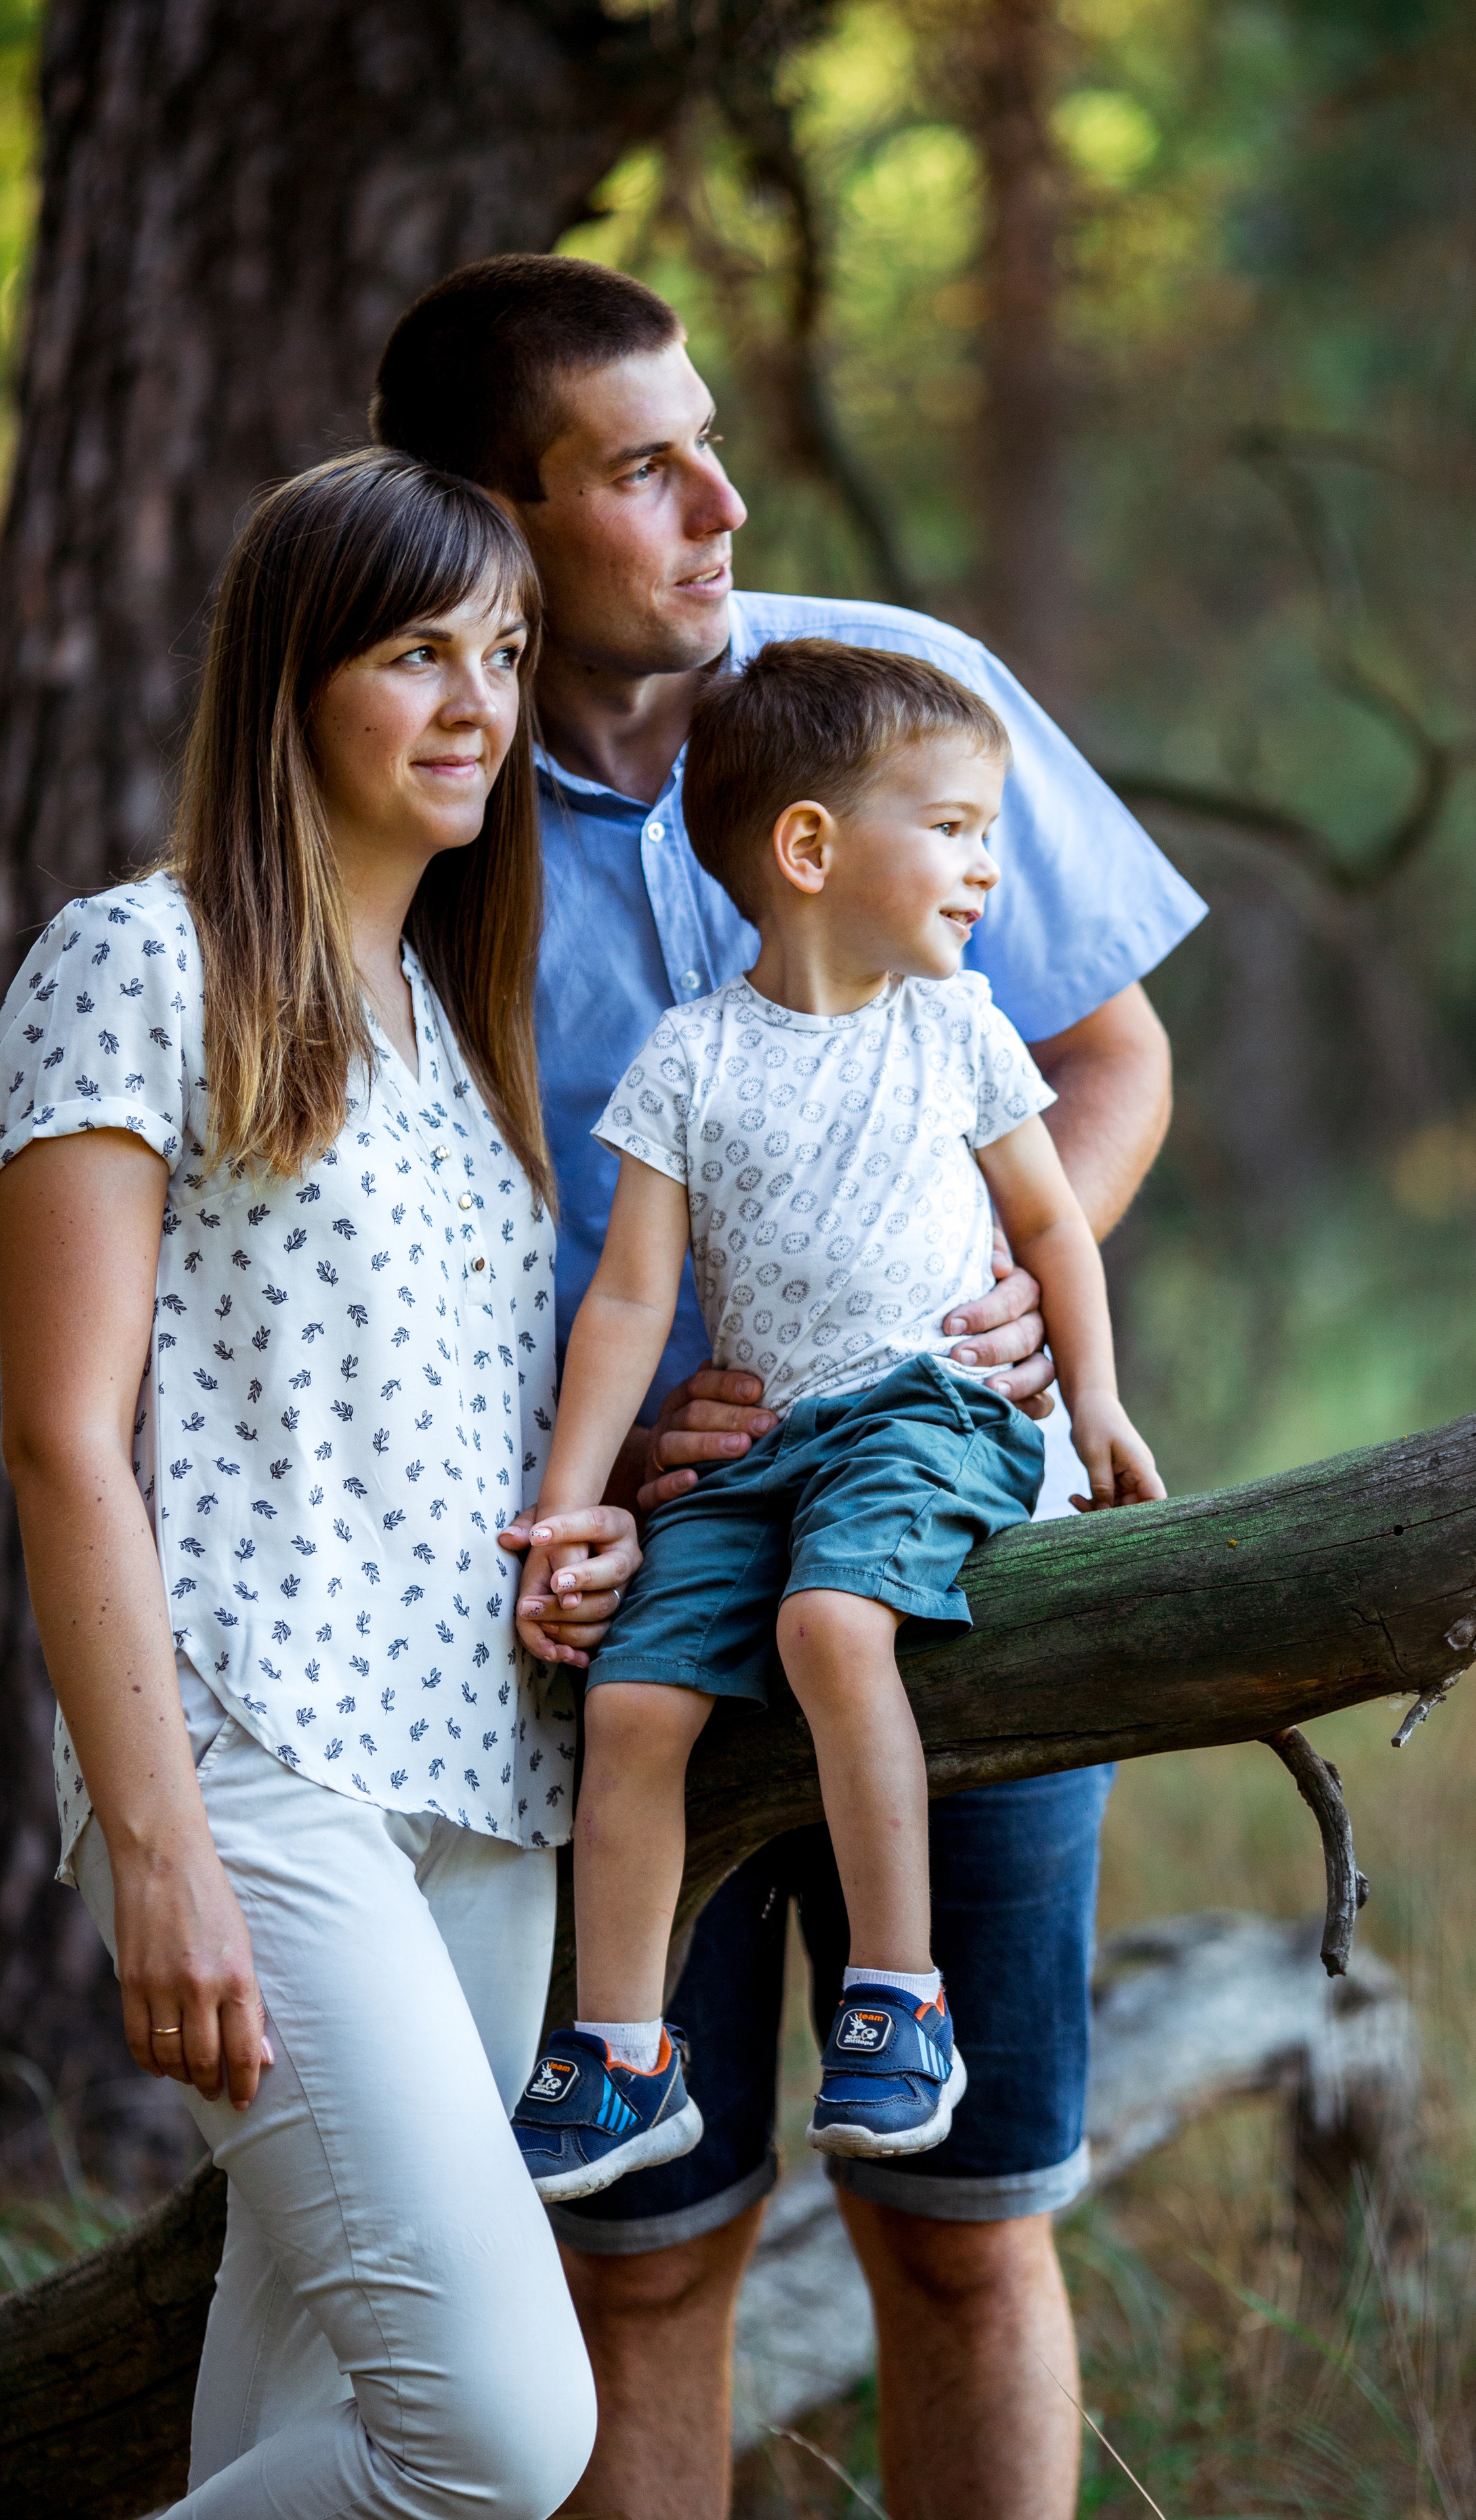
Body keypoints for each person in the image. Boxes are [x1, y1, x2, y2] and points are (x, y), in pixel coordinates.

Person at [371, 254, 1207, 2520]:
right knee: (639, 2266)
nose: (723, 500)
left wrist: (1034, 1296)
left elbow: (1108, 1056)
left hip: (963, 1551)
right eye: (646, 468)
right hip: (628, 1607)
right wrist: (610, 1465)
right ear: (493, 516)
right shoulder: (403, 795)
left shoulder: (895, 700)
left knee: (966, 2233)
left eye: (711, 437)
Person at [0, 449, 627, 2517]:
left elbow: (443, 1433)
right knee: (501, 2438)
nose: (479, 702)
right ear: (292, 678)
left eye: (507, 653)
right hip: (258, 1761)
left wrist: (596, 1521)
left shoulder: (454, 1029)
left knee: (317, 2422)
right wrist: (160, 1846)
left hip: (485, 1781)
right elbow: (61, 1437)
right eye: (416, 652)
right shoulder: (138, 962)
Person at [508, 640, 1166, 2201]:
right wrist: (572, 1500)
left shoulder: (955, 1034)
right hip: (755, 1458)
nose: (985, 869)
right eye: (950, 829)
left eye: (985, 836)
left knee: (826, 1626)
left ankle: (897, 1995)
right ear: (808, 850)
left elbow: (1054, 1230)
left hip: (931, 1419)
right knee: (634, 1707)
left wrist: (1097, 1401)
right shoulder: (691, 1061)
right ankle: (620, 2055)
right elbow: (624, 1303)